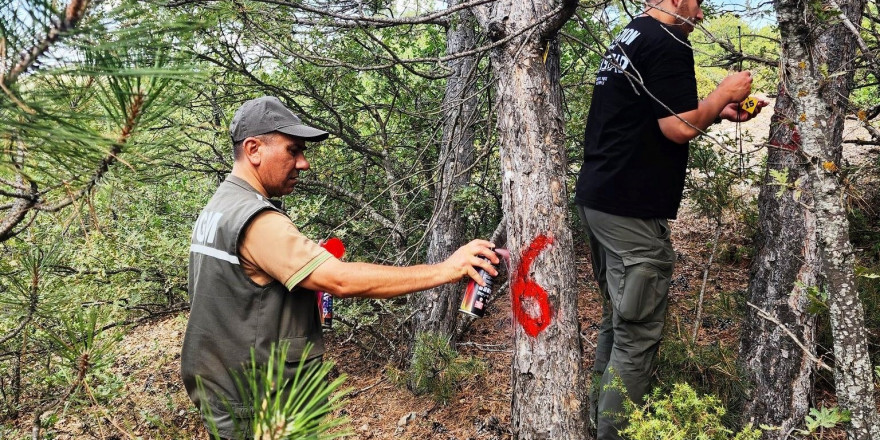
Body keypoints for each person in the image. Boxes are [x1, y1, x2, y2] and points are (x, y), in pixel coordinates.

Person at [181, 96, 499, 439]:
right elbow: (341, 280)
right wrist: (447, 269)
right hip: (258, 400)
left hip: (225, 389)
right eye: (293, 150)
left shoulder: (221, 206)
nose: (303, 164)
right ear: (254, 149)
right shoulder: (255, 219)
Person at [573, 0, 767, 438]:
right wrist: (721, 93)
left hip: (601, 198)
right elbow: (678, 127)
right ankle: (615, 434)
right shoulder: (670, 44)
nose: (701, 15)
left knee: (618, 320)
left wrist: (715, 112)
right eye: (699, 3)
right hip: (630, 209)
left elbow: (658, 114)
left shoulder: (632, 34)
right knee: (637, 334)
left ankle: (592, 420)